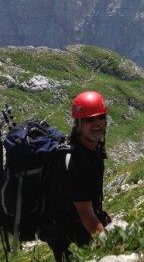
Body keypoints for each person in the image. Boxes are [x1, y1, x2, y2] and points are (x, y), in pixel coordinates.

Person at [40, 91, 111, 261]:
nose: (97, 123)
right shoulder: (76, 161)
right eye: (89, 119)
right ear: (78, 123)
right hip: (68, 236)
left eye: (101, 117)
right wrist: (112, 245)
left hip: (78, 228)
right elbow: (86, 215)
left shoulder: (93, 150)